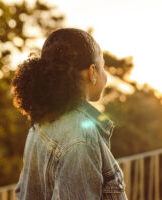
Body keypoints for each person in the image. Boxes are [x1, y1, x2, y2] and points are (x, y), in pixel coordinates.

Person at [10, 28, 128, 200]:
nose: (105, 76)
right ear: (92, 72)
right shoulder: (82, 137)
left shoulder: (40, 122)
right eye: (102, 67)